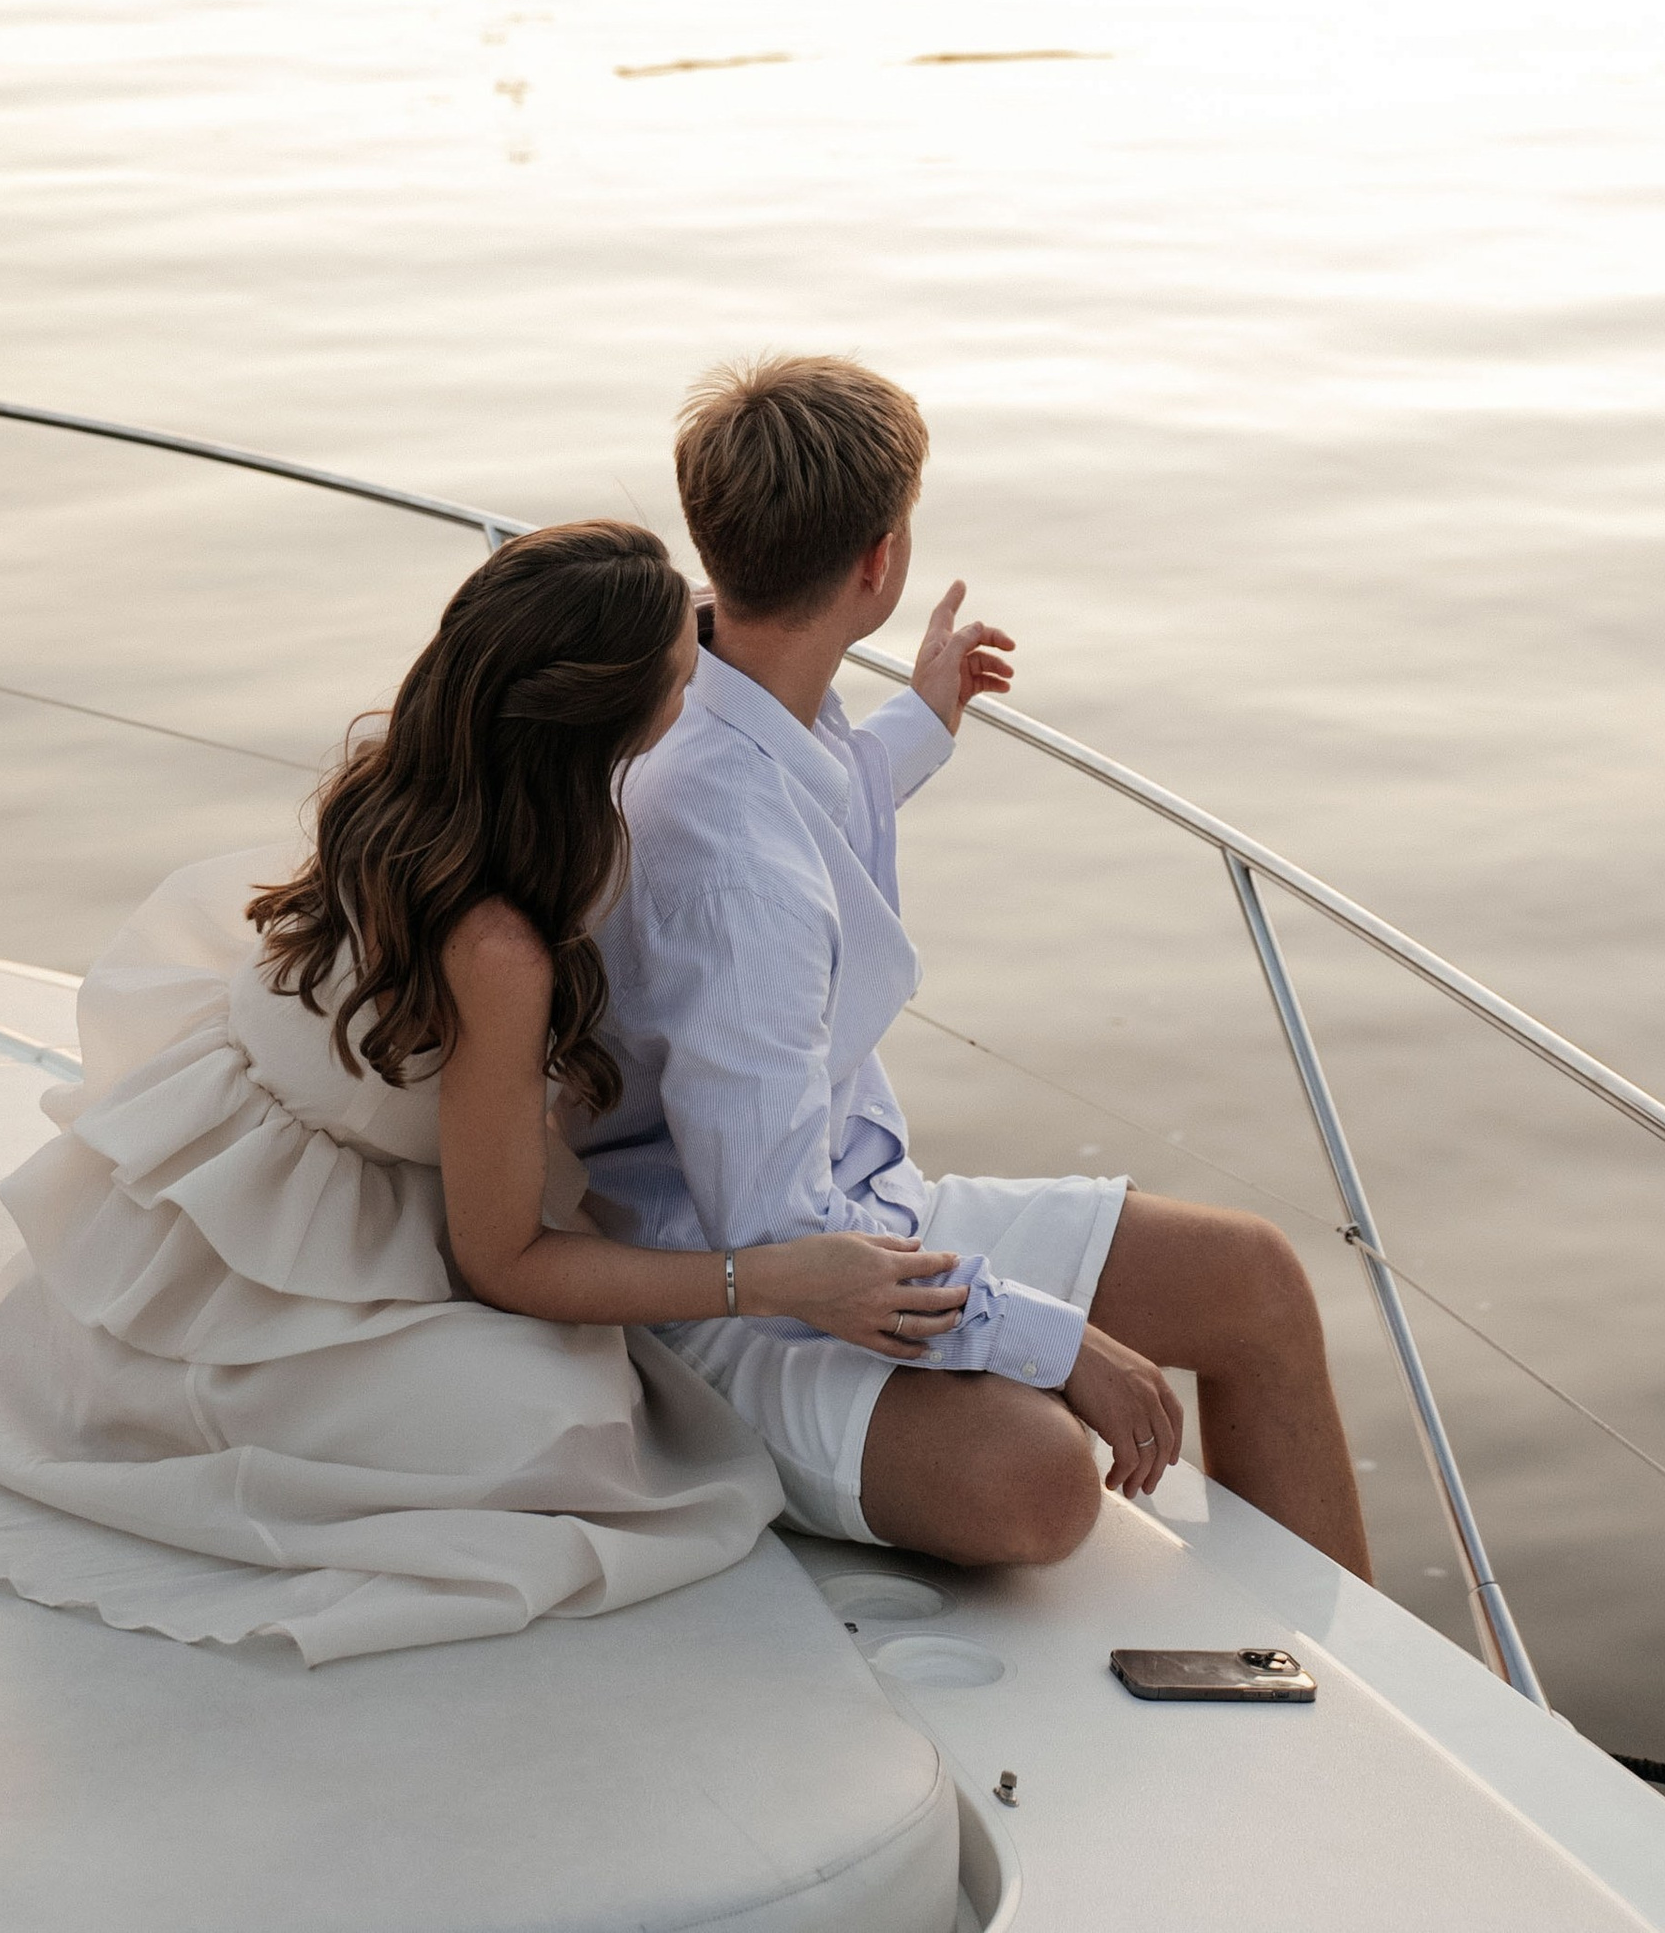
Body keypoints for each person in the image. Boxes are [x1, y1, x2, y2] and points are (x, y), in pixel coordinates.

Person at [0, 519, 969, 1665]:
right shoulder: (499, 948)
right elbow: (503, 1263)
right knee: (578, 1429)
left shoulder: (425, 777)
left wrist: (908, 719)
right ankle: (221, 1402)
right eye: (686, 664)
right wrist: (764, 1278)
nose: (707, 667)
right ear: (609, 726)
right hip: (274, 1242)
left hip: (290, 1163)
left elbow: (716, 680)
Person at [586, 358, 1373, 1579]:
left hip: (853, 1216)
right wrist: (1047, 1342)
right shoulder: (736, 871)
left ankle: (1330, 1668)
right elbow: (780, 1232)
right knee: (1034, 1478)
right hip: (727, 1295)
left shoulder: (715, 682)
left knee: (1251, 1281)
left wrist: (922, 719)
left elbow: (803, 804)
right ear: (881, 562)